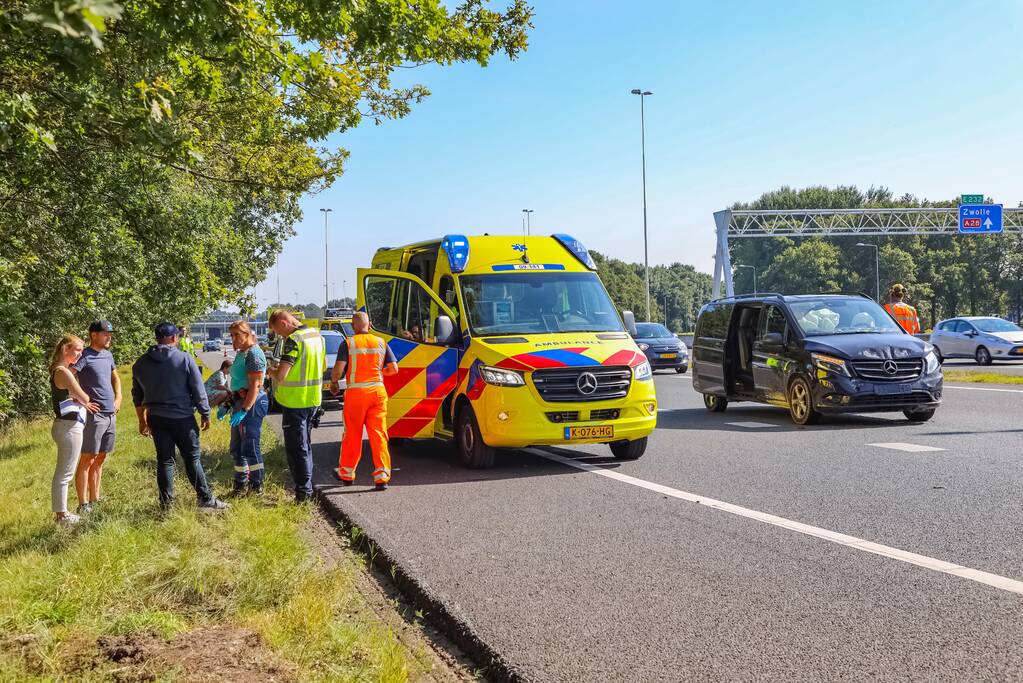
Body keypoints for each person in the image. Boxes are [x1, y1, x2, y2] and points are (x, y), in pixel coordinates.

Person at [131, 322, 229, 511]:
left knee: (165, 460)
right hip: (182, 418)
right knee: (192, 458)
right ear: (174, 338)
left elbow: (137, 396)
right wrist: (205, 413)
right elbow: (198, 389)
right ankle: (206, 499)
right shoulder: (184, 359)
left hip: (156, 418)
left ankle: (166, 505)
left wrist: (142, 421)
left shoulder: (141, 363)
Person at [330, 311, 399, 490]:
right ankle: (382, 476)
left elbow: (338, 370)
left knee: (352, 434)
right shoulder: (381, 342)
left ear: (353, 326)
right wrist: (378, 374)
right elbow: (394, 369)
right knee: (379, 434)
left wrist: (334, 382)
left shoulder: (348, 343)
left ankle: (347, 473)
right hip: (378, 393)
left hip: (356, 394)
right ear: (370, 324)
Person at [267, 309, 326, 502]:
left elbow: (281, 375)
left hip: (295, 402)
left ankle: (303, 493)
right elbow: (322, 366)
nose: (280, 336)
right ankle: (306, 488)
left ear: (283, 323)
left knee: (296, 449)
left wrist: (270, 370)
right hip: (313, 400)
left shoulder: (294, 340)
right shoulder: (316, 336)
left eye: (278, 331)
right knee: (305, 446)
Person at [49, 335, 100, 524]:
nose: (80, 354)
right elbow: (85, 398)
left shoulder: (60, 370)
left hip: (67, 425)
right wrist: (81, 398)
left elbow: (73, 396)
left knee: (65, 472)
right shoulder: (63, 371)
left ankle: (62, 514)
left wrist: (76, 397)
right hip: (69, 427)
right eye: (77, 350)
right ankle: (62, 515)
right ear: (65, 349)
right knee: (65, 473)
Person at [73, 320, 121, 514]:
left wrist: (119, 397)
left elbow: (115, 377)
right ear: (93, 335)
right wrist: (82, 400)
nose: (109, 337)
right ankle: (83, 504)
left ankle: (95, 499)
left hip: (110, 414)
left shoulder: (108, 355)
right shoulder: (84, 355)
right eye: (105, 334)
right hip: (94, 415)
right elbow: (68, 376)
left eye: (110, 334)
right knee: (88, 457)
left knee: (101, 457)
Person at [227, 320, 269, 495]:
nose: (233, 338)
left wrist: (244, 410)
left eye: (237, 334)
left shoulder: (254, 354)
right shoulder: (241, 353)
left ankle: (256, 486)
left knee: (250, 447)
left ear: (247, 334)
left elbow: (255, 386)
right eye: (231, 335)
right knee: (237, 448)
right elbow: (238, 383)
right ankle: (240, 484)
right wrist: (229, 404)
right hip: (240, 401)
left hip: (252, 403)